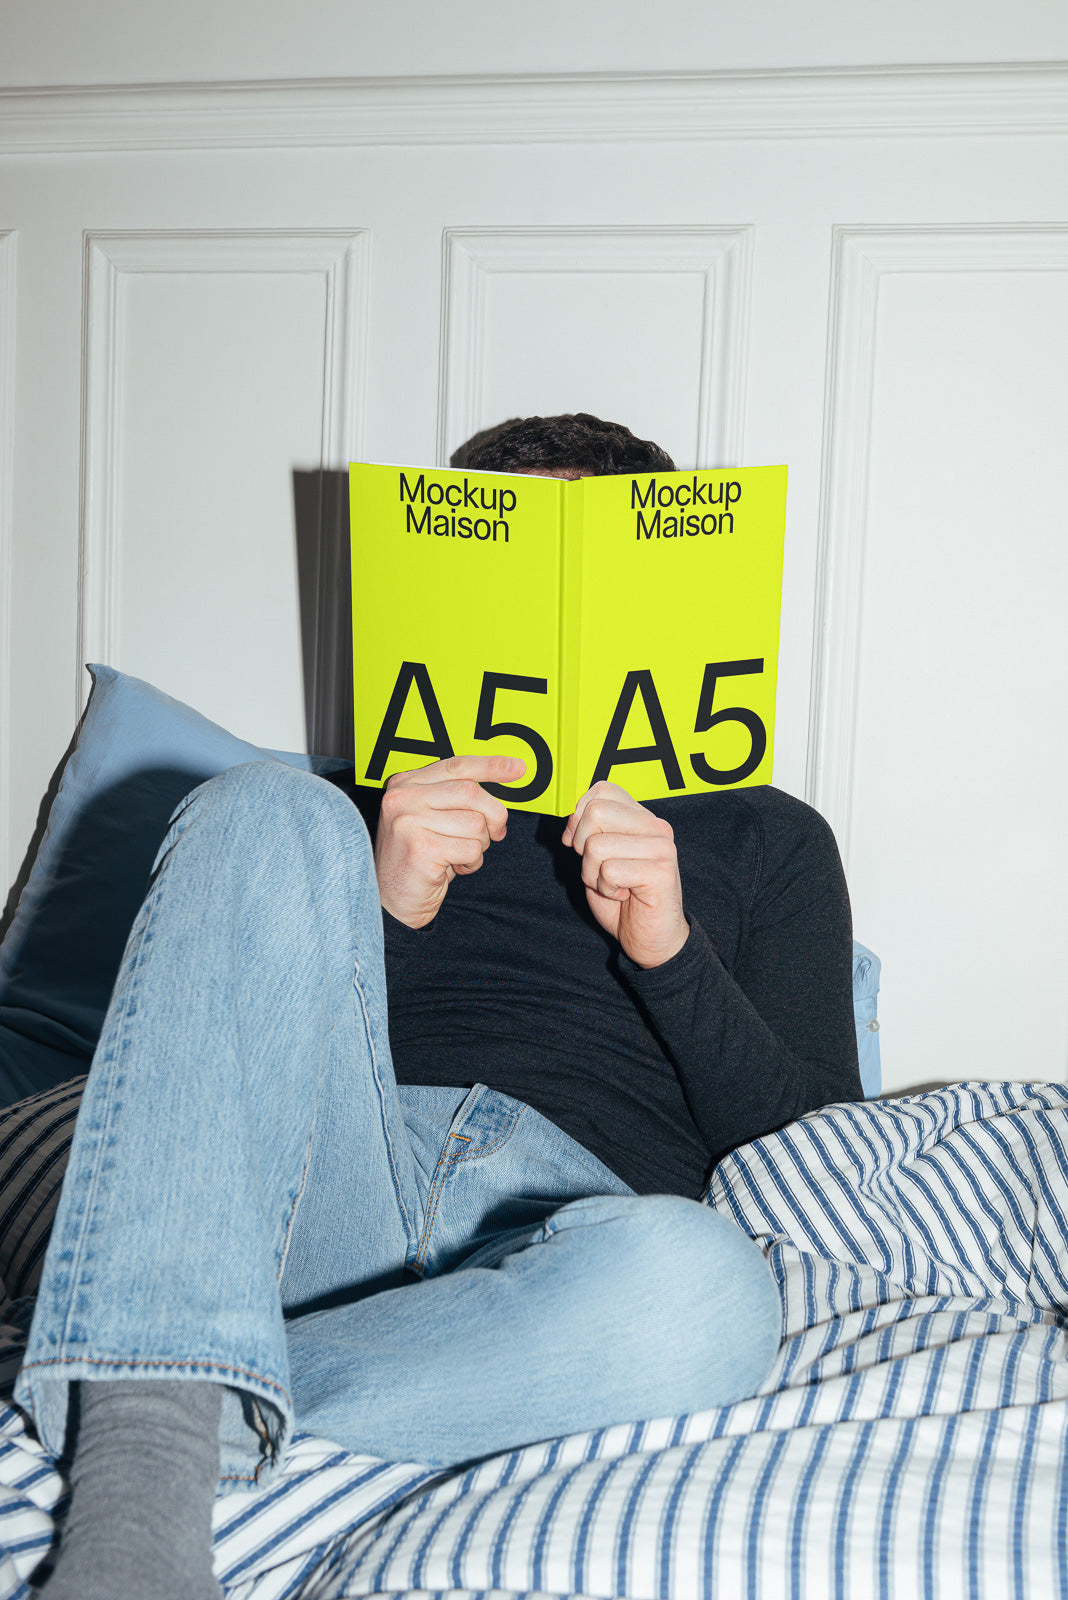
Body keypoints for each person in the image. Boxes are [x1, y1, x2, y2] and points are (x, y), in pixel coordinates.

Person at [15, 414, 861, 1600]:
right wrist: (386, 903)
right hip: (343, 1183)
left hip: (581, 1233)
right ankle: (137, 1512)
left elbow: (823, 1156)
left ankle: (163, 1392)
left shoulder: (770, 835)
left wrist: (671, 953)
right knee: (264, 803)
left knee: (709, 1293)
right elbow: (209, 1090)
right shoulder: (363, 807)